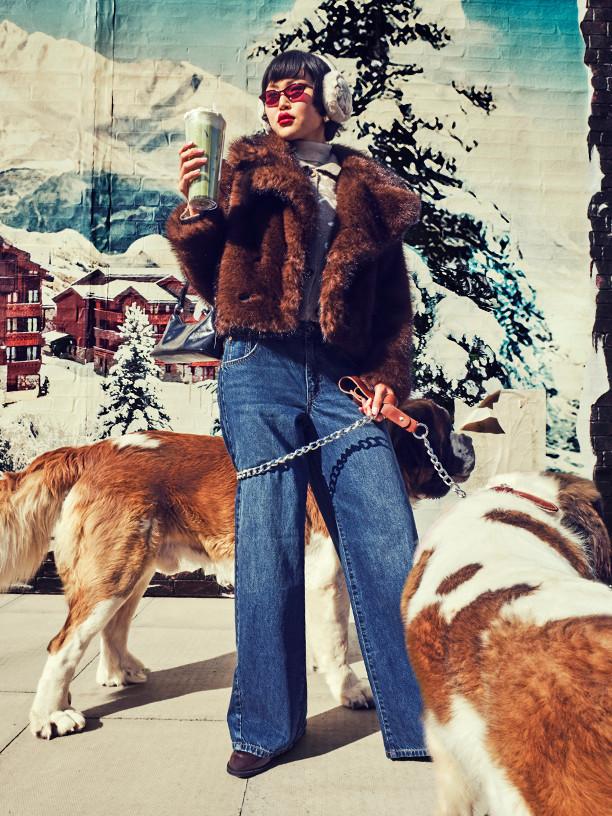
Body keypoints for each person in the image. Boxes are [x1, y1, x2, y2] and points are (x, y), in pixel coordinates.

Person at [165, 50, 426, 778]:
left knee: (385, 534)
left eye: (295, 91)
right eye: (270, 92)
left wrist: (386, 381)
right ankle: (265, 725)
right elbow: (210, 268)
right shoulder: (245, 173)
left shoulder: (366, 189)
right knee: (270, 539)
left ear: (327, 101)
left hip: (344, 375)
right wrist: (192, 211)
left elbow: (394, 308)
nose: (279, 102)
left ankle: (420, 716)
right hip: (260, 366)